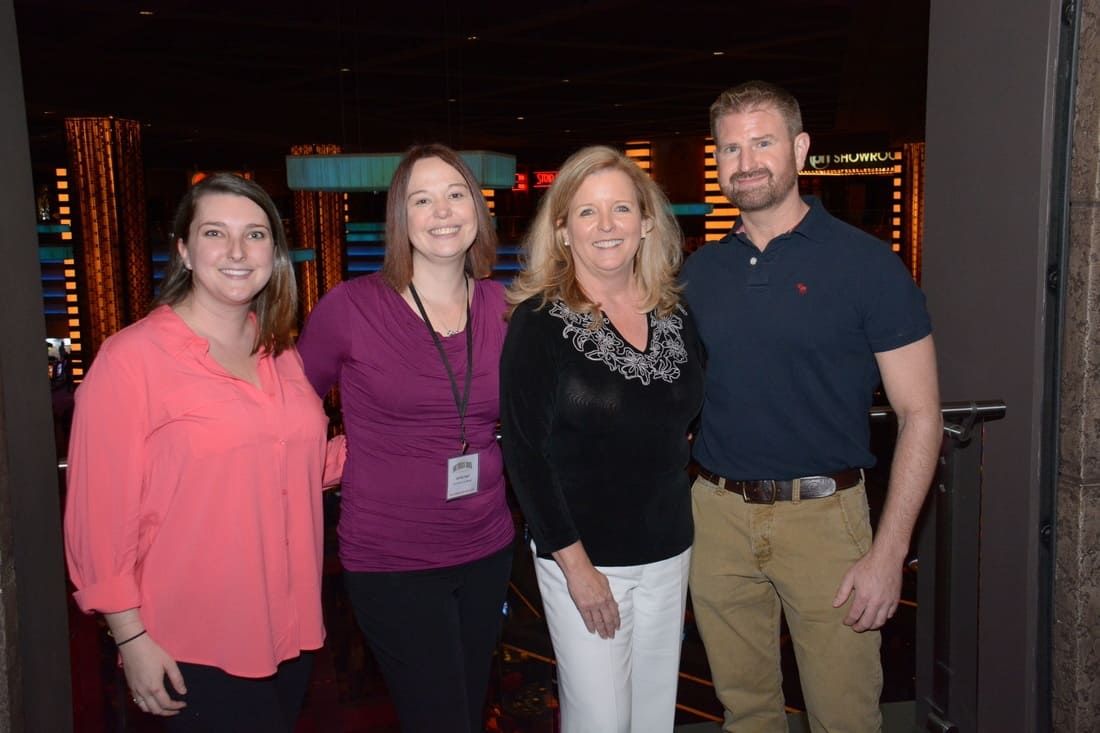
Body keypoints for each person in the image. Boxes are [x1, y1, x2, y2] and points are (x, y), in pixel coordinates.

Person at [681, 80, 943, 732]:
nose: (746, 162)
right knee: (745, 714)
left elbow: (921, 415)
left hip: (827, 524)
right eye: (731, 148)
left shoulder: (869, 265)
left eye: (762, 143)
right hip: (717, 518)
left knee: (844, 717)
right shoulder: (697, 274)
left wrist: (890, 553)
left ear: (799, 149)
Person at [64, 173, 344, 732]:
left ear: (274, 254)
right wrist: (131, 638)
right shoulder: (131, 360)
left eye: (256, 234)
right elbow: (99, 516)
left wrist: (400, 439)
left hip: (289, 631)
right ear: (185, 251)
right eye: (215, 232)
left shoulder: (279, 352)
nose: (238, 251)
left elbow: (295, 465)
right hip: (193, 644)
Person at [297, 144, 514, 733]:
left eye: (455, 194)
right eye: (422, 199)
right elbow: (290, 409)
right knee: (439, 717)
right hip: (393, 557)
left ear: (477, 209)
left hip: (488, 547)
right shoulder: (350, 307)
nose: (442, 211)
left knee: (469, 709)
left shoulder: (505, 307)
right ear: (400, 217)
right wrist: (333, 463)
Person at [500, 145, 704, 733]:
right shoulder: (538, 322)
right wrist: (577, 569)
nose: (606, 225)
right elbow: (526, 455)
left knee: (653, 719)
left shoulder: (676, 313)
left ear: (647, 223)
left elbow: (686, 418)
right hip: (585, 560)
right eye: (587, 212)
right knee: (600, 721)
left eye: (621, 208)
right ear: (563, 231)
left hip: (670, 551)